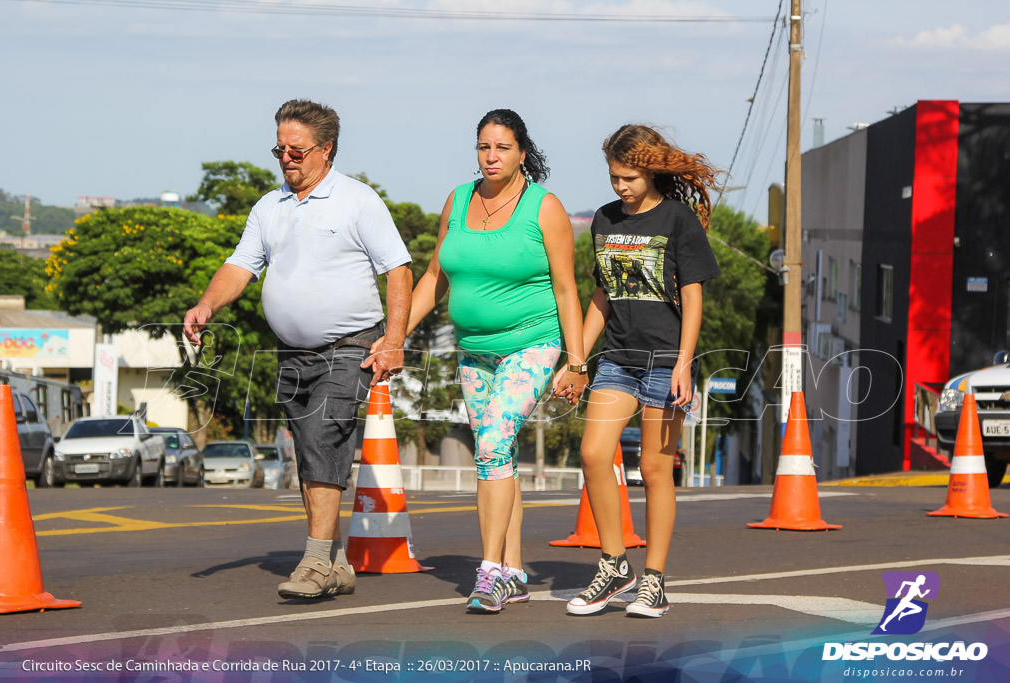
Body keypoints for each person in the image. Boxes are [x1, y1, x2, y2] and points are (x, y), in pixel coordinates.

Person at [183, 99, 413, 600]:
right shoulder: (269, 207)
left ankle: (313, 563)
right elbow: (241, 265)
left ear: (326, 150)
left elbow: (398, 269)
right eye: (279, 149)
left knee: (323, 439)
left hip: (350, 345)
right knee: (309, 453)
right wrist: (206, 305)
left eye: (297, 150)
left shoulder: (358, 200)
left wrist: (393, 340)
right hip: (292, 351)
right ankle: (332, 563)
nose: (287, 158)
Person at [371, 108, 587, 613]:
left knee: (491, 445)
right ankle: (512, 570)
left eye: (502, 148)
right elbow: (432, 278)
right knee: (500, 457)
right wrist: (393, 335)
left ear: (522, 153)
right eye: (484, 147)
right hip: (474, 350)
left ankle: (489, 573)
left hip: (532, 344)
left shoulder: (544, 208)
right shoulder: (458, 199)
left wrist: (576, 362)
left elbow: (566, 290)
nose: (491, 157)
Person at [564, 124, 720, 618]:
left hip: (663, 361)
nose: (621, 187)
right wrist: (576, 359)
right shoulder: (605, 220)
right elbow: (603, 295)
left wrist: (684, 364)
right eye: (614, 177)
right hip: (616, 357)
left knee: (654, 470)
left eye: (630, 177)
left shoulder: (677, 219)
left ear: (651, 171)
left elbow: (693, 298)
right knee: (593, 454)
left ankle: (653, 581)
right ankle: (614, 565)